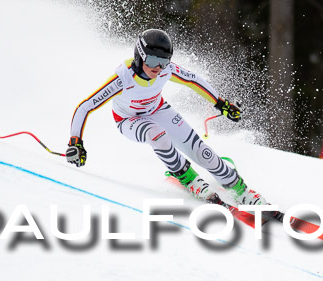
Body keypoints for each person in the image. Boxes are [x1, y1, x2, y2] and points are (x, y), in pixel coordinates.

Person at [66, 28, 267, 205]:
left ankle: (240, 189)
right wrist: (76, 142)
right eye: (153, 60)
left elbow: (193, 80)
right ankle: (188, 178)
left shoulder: (165, 70)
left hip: (158, 109)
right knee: (157, 135)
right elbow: (85, 107)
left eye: (164, 61)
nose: (158, 68)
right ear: (140, 56)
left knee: (200, 150)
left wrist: (222, 104)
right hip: (129, 120)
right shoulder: (123, 78)